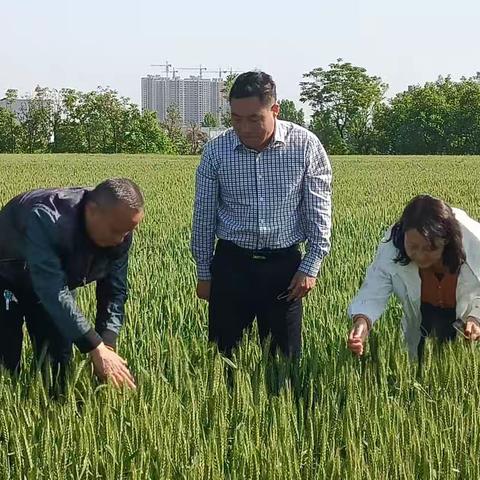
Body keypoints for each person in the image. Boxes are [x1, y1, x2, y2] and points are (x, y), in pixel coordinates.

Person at [191, 71, 332, 357]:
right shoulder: (216, 152)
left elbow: (319, 210)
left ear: (275, 110)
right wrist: (204, 273)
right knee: (222, 361)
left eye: (254, 118)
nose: (244, 128)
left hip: (284, 269)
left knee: (285, 362)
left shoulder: (305, 146)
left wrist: (311, 265)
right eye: (236, 119)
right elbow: (203, 217)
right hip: (231, 265)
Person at [0, 178, 144, 390]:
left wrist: (107, 345)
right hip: (6, 274)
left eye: (127, 232)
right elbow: (51, 289)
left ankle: (52, 411)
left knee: (57, 367)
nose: (121, 240)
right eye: (116, 231)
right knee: (6, 362)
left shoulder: (120, 232)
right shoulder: (47, 217)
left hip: (49, 284)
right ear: (92, 211)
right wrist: (94, 347)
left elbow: (114, 291)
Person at [348, 195, 480, 362]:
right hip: (423, 320)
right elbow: (374, 288)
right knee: (420, 362)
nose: (420, 256)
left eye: (429, 248)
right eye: (413, 247)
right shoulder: (393, 246)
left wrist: (476, 317)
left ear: (446, 242)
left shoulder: (474, 242)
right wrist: (362, 322)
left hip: (466, 326)